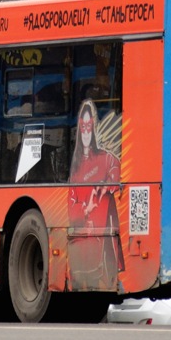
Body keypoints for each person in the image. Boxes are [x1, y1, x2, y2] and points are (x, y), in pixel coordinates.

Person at [67, 96, 122, 289]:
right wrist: (85, 208)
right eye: (83, 127)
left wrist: (104, 188)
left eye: (89, 126)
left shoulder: (105, 158)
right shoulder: (75, 168)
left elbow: (115, 171)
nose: (86, 131)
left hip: (104, 240)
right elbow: (70, 207)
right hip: (82, 243)